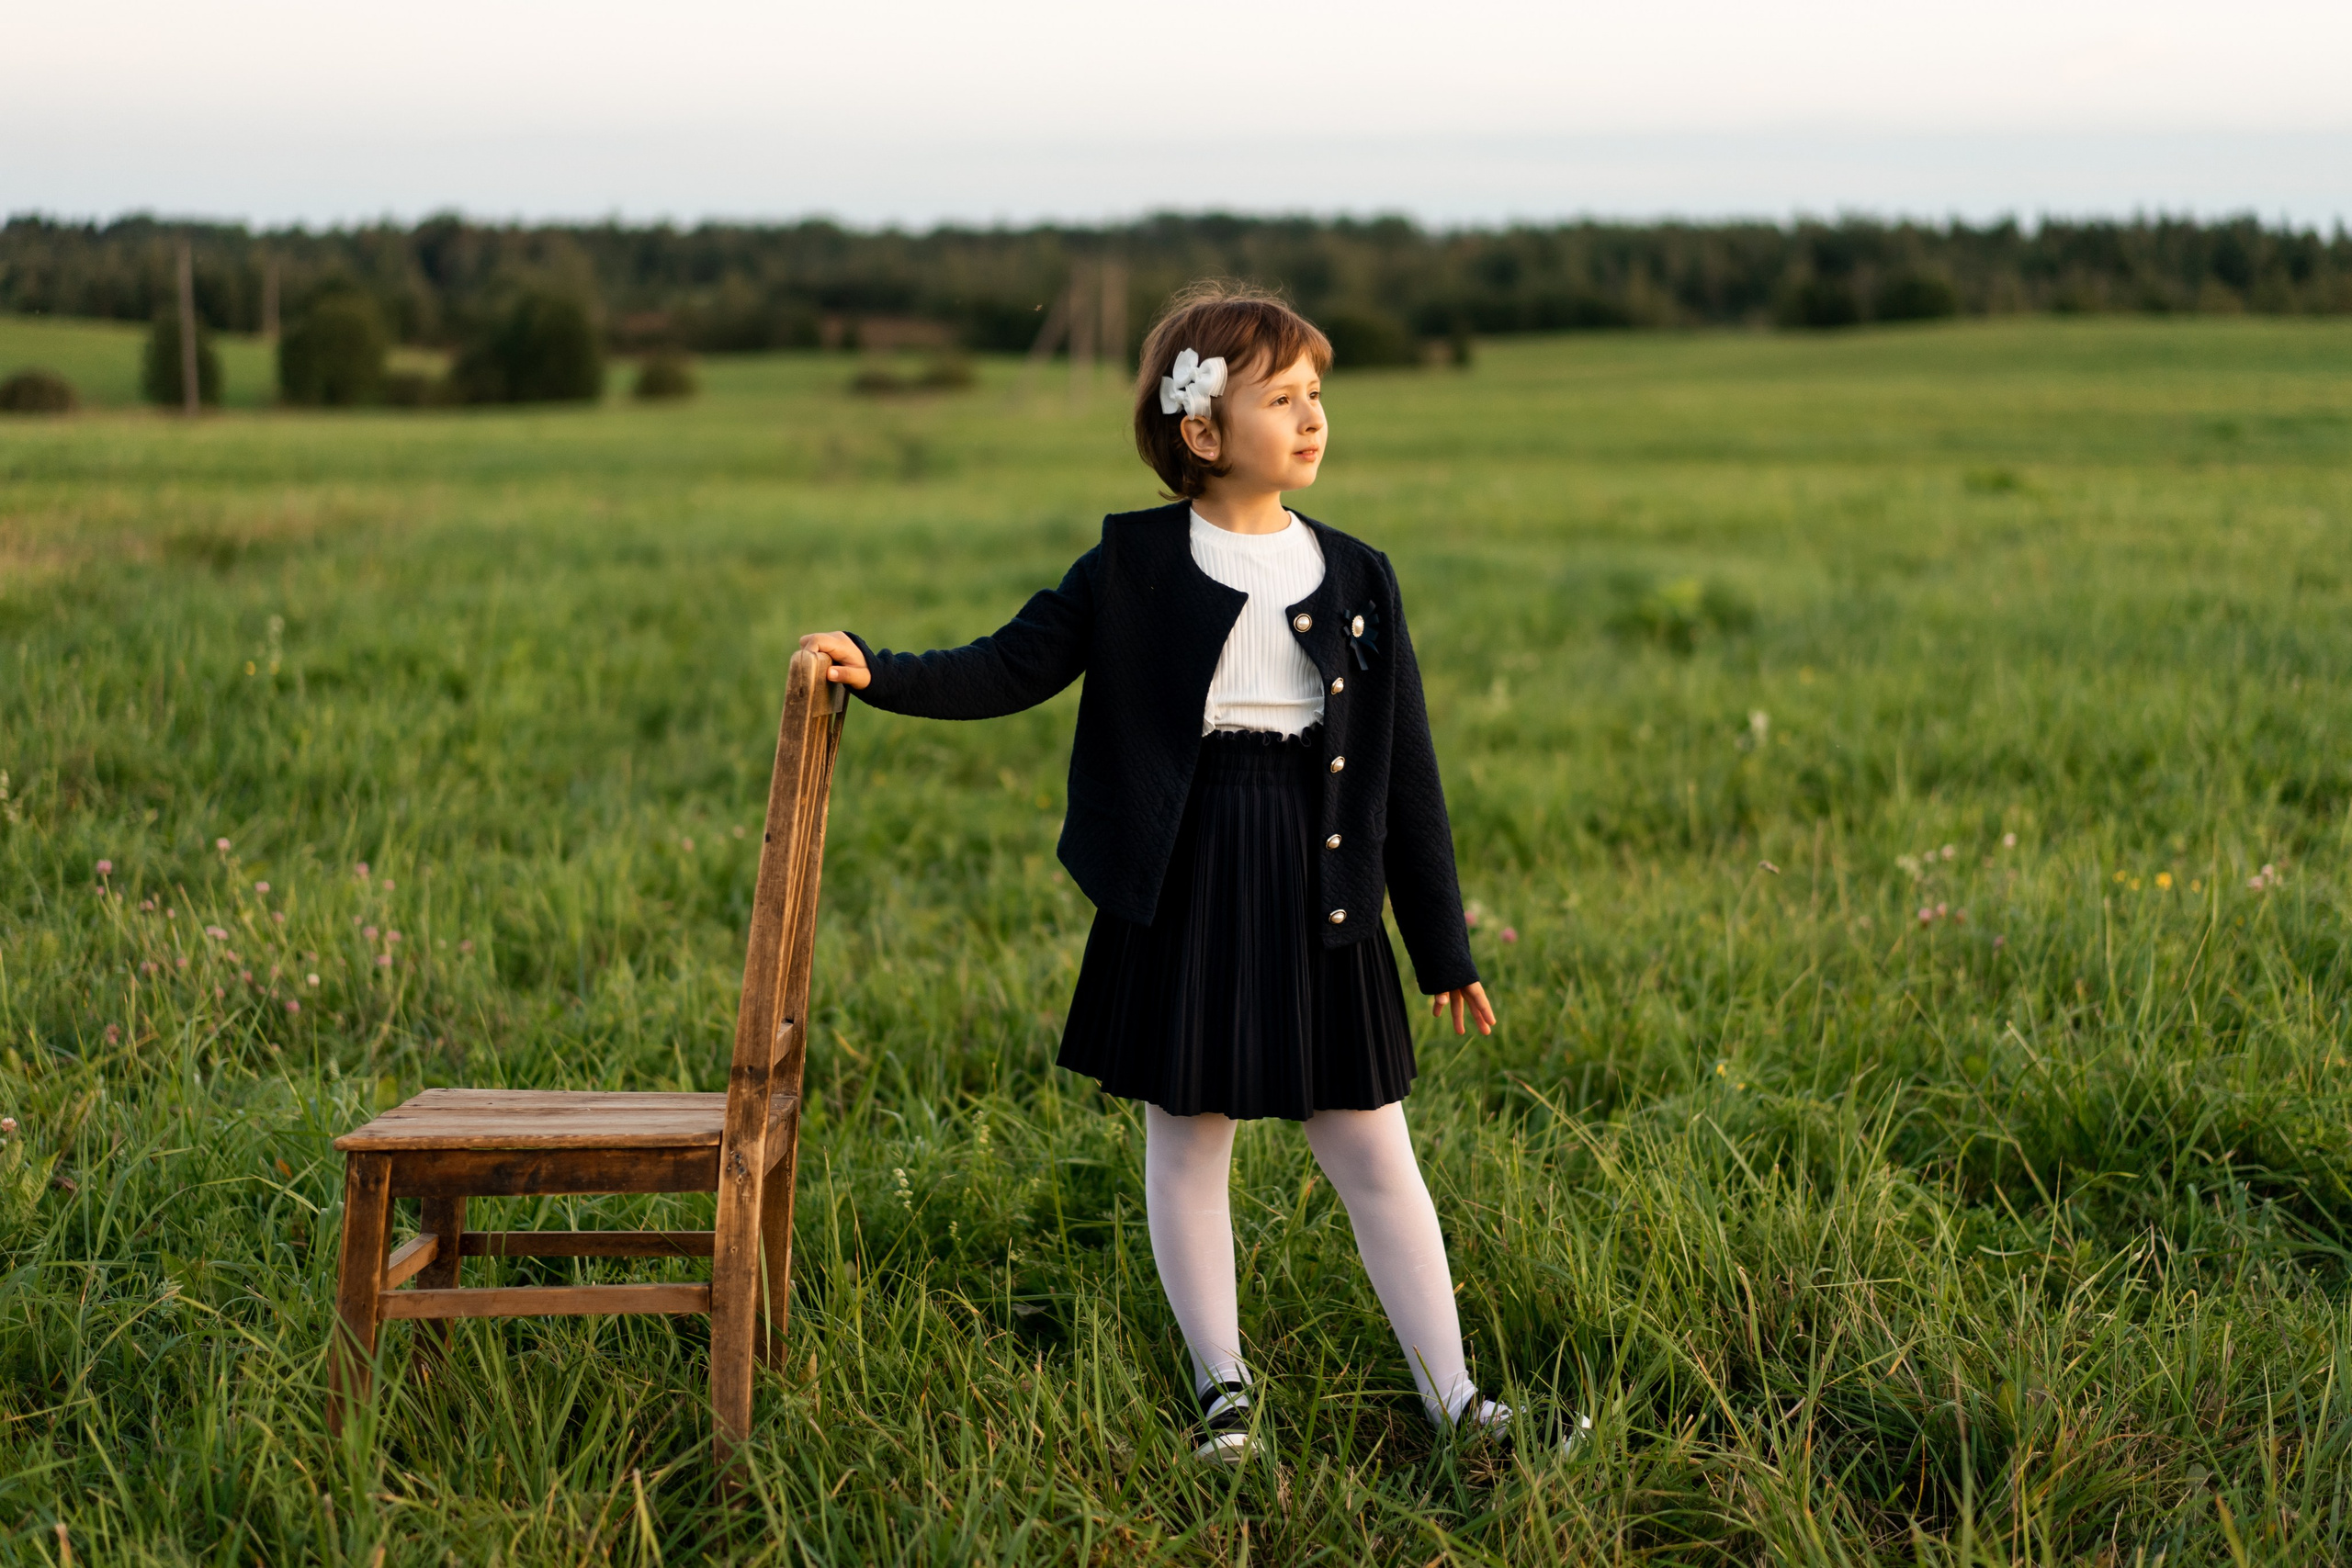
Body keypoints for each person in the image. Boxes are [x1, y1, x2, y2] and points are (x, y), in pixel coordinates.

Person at [801, 280, 1513, 1464]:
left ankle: (1456, 1399)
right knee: (1189, 1135)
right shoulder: (1131, 561)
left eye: (1316, 395)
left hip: (1317, 872)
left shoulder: (1358, 575)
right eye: (1281, 398)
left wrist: (1443, 950)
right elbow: (1011, 663)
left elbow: (1407, 777)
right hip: (1188, 873)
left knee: (1372, 1139)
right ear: (1200, 429)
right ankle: (1223, 1390)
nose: (1312, 417)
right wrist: (881, 669)